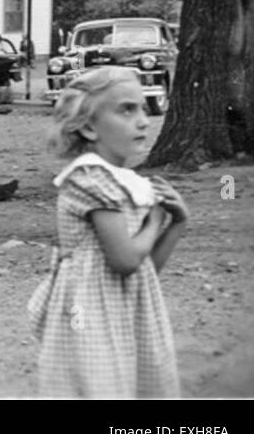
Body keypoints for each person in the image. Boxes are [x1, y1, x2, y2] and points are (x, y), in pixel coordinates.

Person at [28, 67, 186, 398]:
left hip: (125, 307)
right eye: (127, 109)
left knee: (131, 383)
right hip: (88, 312)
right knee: (97, 386)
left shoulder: (125, 181)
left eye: (144, 108)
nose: (143, 120)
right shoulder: (89, 178)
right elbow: (126, 260)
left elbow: (144, 271)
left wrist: (178, 222)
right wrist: (156, 220)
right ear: (88, 126)